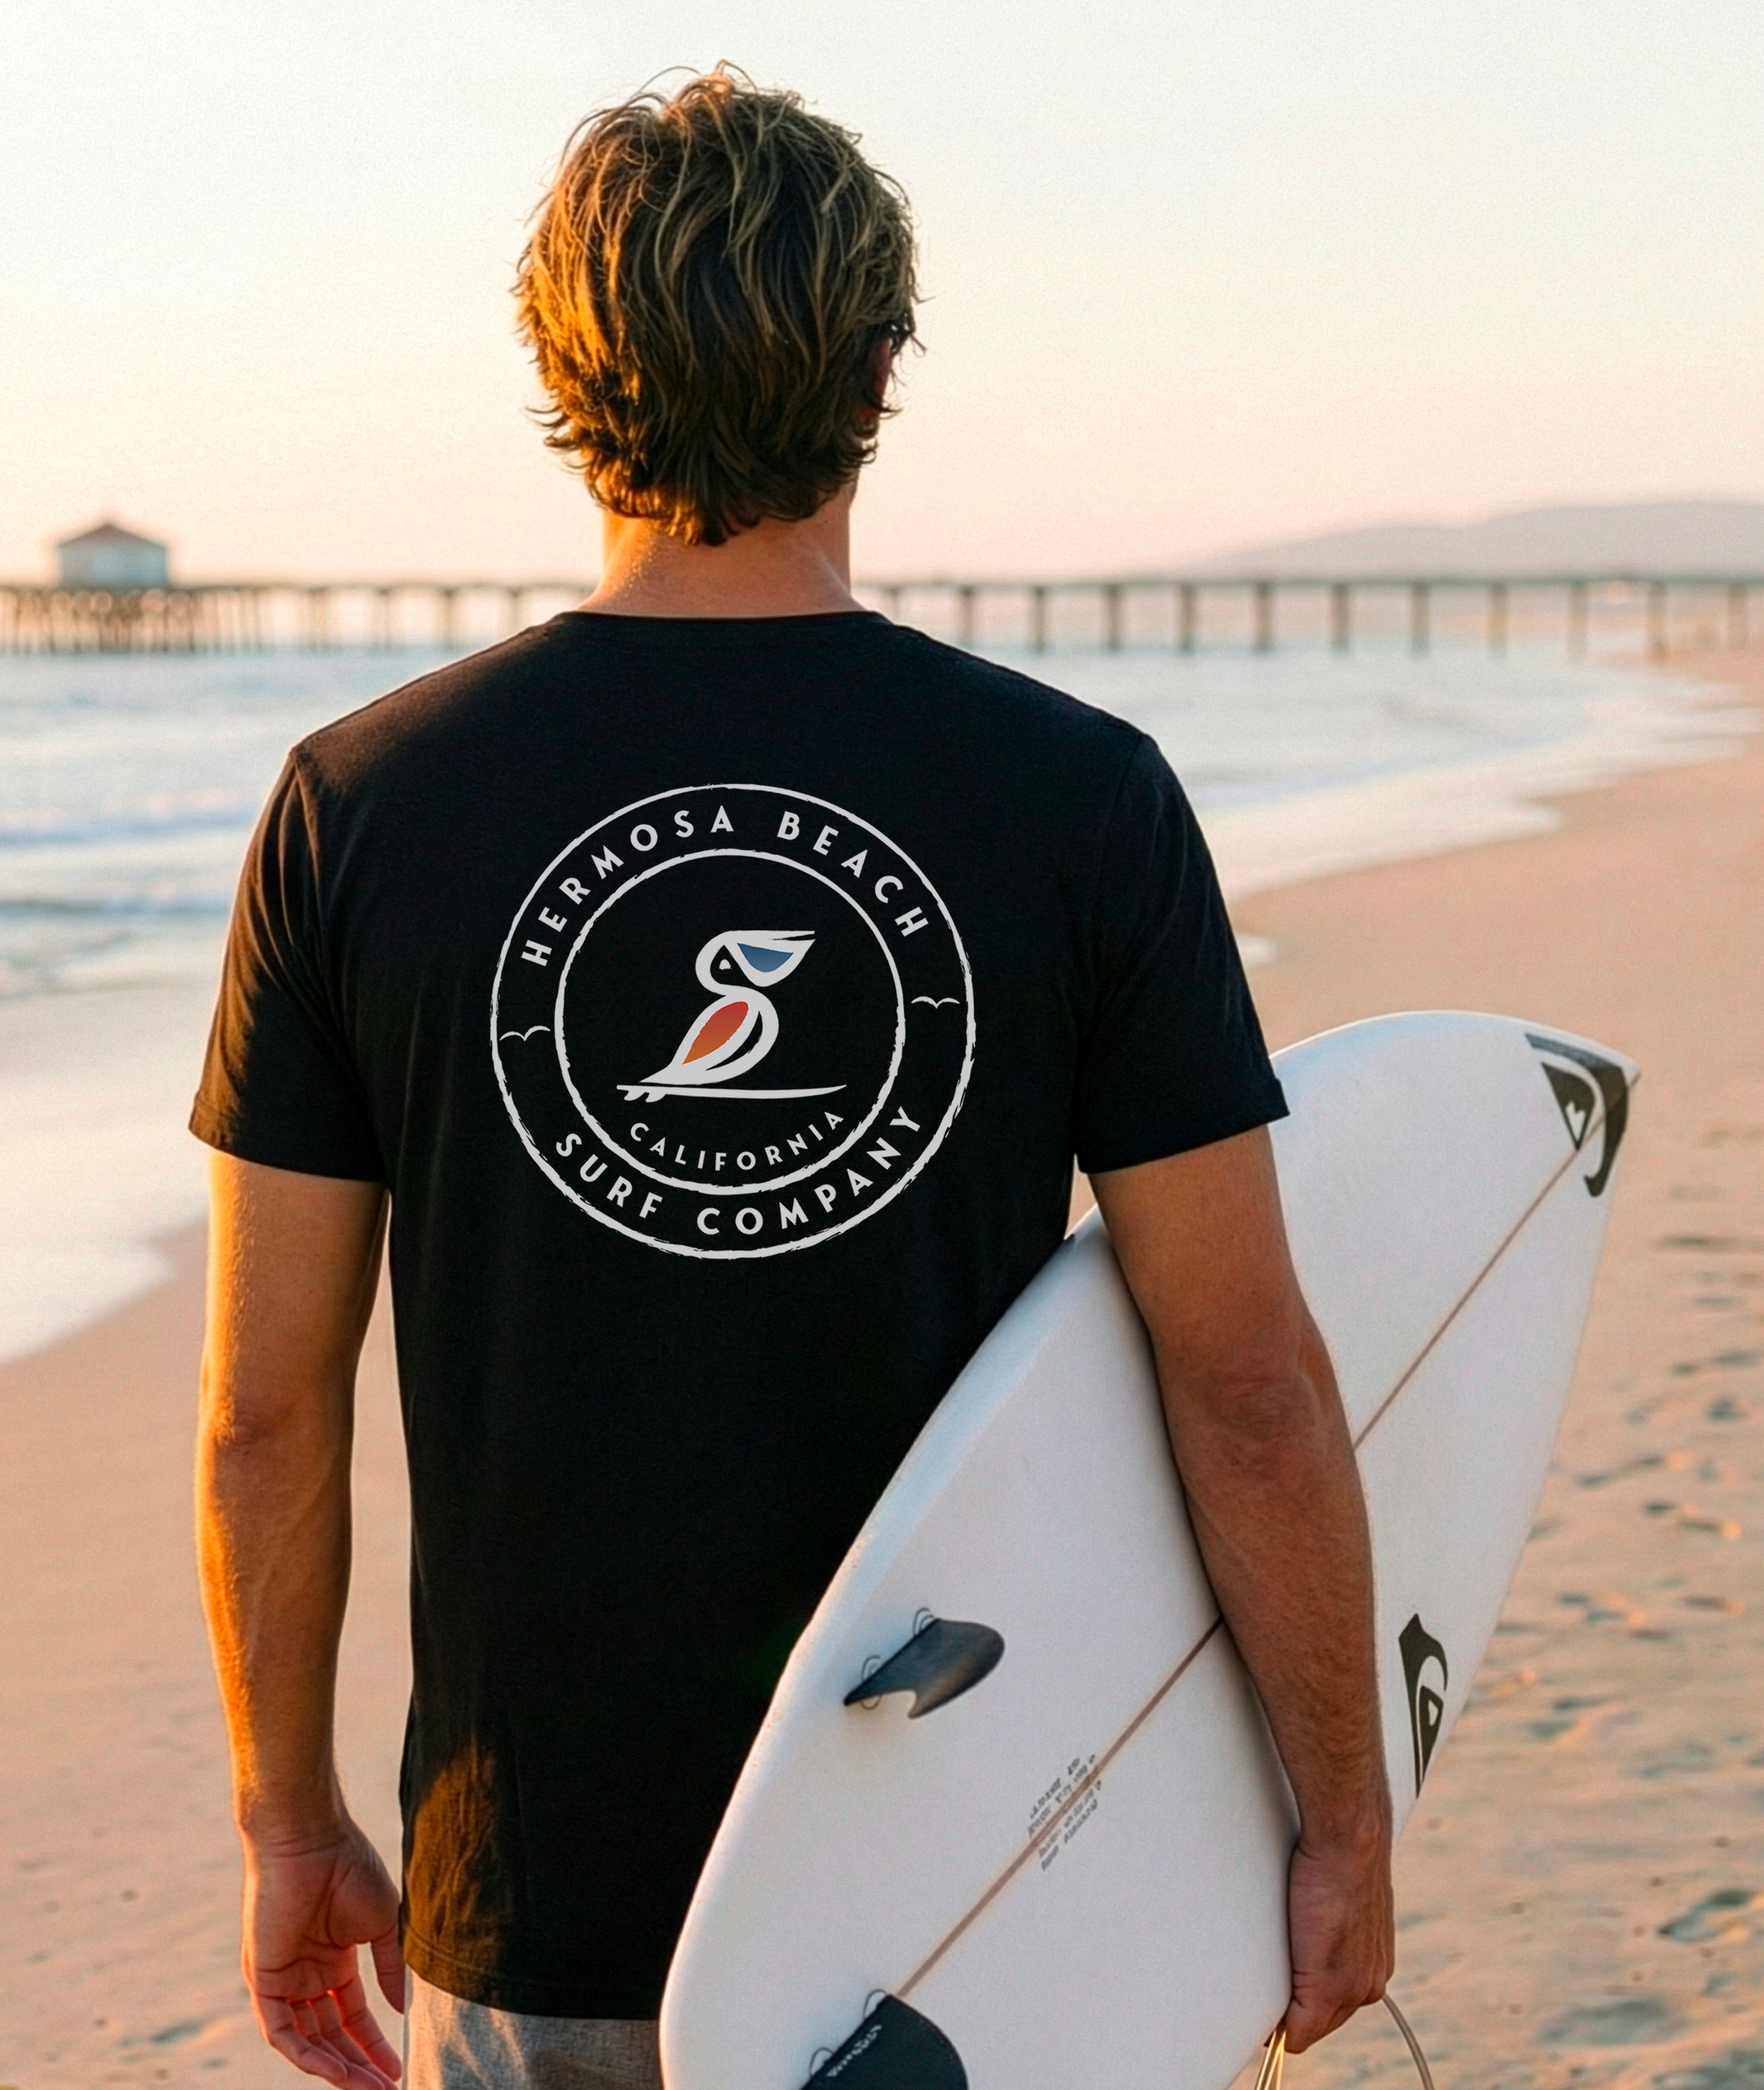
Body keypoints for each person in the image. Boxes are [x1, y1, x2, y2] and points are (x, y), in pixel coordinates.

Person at [192, 67, 1393, 2090]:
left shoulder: (360, 810)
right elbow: (1247, 1378)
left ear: (559, 374)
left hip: (535, 1905)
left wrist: (287, 1825)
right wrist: (1343, 1814)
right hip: (965, 1895)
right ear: (883, 372)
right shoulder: (1075, 800)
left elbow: (265, 1413)